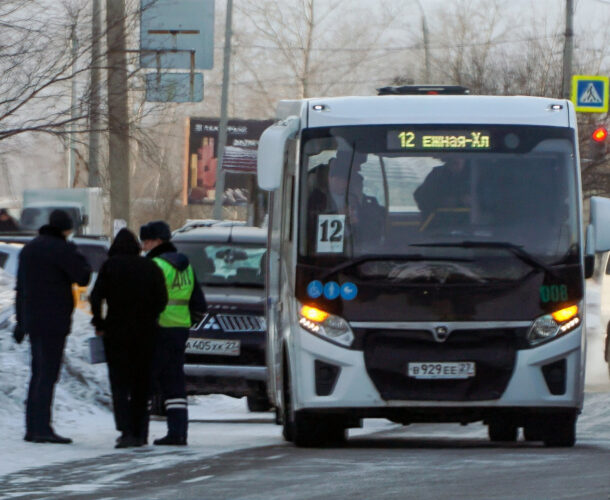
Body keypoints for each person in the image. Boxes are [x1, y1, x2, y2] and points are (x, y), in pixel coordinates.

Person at [14, 209, 91, 444]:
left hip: (33, 320)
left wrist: (21, 321)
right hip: (54, 320)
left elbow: (21, 287)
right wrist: (74, 251)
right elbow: (83, 277)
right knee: (48, 375)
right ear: (65, 229)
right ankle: (42, 428)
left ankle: (32, 427)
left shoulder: (30, 248)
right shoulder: (62, 249)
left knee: (38, 373)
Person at [90, 229, 168, 448]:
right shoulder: (150, 267)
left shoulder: (110, 267)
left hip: (116, 332)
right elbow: (162, 299)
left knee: (120, 384)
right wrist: (150, 317)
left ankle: (125, 431)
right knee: (142, 384)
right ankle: (140, 431)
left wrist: (99, 322)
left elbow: (96, 297)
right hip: (146, 333)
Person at [140, 220, 206, 446]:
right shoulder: (186, 266)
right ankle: (178, 432)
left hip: (158, 331)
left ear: (157, 241)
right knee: (174, 382)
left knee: (146, 381)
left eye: (146, 241)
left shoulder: (156, 266)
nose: (144, 246)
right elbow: (199, 304)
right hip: (179, 332)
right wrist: (187, 324)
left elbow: (147, 301)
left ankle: (139, 432)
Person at [413, 156, 471, 227]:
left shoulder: (479, 175)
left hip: (472, 229)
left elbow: (487, 199)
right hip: (438, 228)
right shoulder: (437, 175)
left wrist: (475, 202)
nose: (455, 165)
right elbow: (420, 196)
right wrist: (441, 202)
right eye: (451, 161)